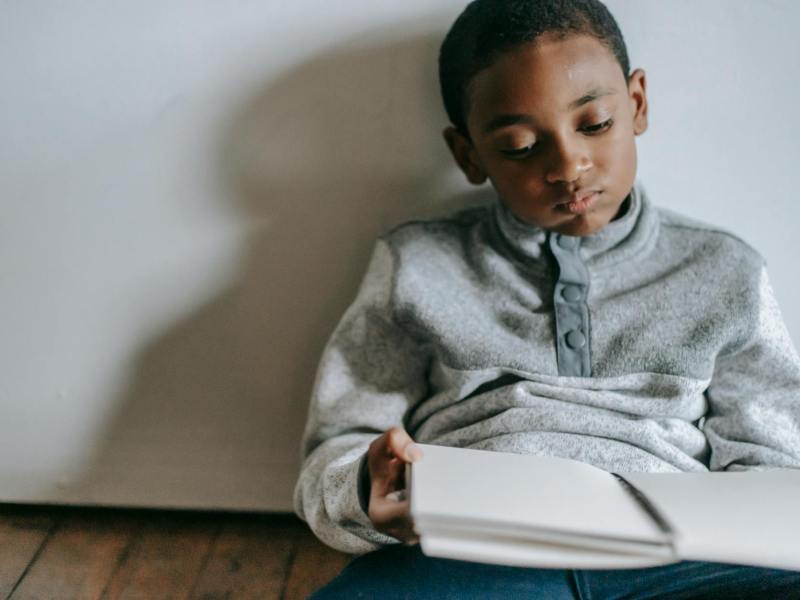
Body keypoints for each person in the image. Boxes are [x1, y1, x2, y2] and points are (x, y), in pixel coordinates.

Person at [293, 0, 800, 597]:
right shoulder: (418, 265)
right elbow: (338, 447)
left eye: (594, 124)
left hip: (685, 556)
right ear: (470, 156)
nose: (569, 165)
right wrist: (364, 486)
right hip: (472, 551)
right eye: (518, 146)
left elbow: (774, 459)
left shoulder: (724, 268)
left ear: (636, 104)